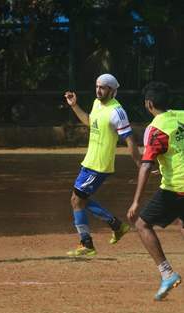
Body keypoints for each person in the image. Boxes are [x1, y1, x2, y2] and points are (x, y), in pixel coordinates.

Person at [64, 73, 141, 257]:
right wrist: (74, 106)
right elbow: (91, 123)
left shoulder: (117, 112)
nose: (99, 90)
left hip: (100, 165)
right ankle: (116, 225)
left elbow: (129, 139)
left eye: (103, 87)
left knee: (77, 199)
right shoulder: (97, 103)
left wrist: (140, 163)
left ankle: (87, 244)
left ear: (112, 90)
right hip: (89, 161)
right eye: (97, 86)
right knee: (78, 199)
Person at [127, 81, 184, 300]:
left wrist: (135, 201)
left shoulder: (155, 129)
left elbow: (145, 165)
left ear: (149, 104)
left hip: (176, 188)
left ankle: (167, 273)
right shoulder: (180, 116)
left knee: (142, 224)